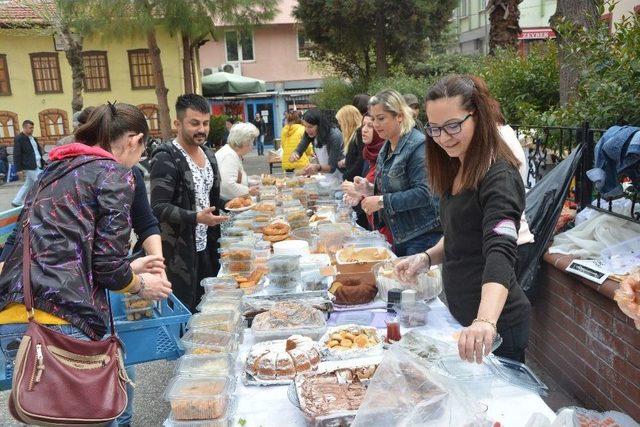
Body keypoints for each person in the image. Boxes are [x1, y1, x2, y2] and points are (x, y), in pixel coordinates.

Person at [0, 104, 172, 408]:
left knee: (46, 415)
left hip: (15, 317)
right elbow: (107, 268)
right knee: (88, 415)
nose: (138, 159)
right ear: (134, 140)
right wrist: (142, 284)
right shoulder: (114, 174)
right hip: (65, 322)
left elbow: (27, 246)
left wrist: (129, 265)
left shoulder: (54, 170)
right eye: (142, 149)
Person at [396, 75, 532, 364]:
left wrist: (485, 321)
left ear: (478, 117)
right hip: (462, 319)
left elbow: (500, 248)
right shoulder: (455, 167)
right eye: (434, 129)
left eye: (453, 126)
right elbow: (460, 234)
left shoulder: (500, 177)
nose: (444, 137)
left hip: (496, 328)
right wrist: (426, 258)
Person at [150, 94, 229, 313]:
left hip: (207, 247)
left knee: (209, 309)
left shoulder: (209, 155)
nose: (201, 129)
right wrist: (195, 217)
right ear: (178, 123)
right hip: (178, 254)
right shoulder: (166, 157)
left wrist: (232, 203)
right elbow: (158, 207)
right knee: (185, 314)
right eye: (194, 123)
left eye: (205, 123)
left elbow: (206, 196)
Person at [356, 90, 441, 256]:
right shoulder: (387, 146)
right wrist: (369, 188)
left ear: (399, 116)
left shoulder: (418, 146)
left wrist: (381, 201)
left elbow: (425, 193)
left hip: (423, 236)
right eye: (373, 119)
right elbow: (394, 188)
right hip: (400, 234)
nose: (375, 124)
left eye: (381, 118)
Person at [342, 114, 391, 238]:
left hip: (389, 231)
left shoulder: (387, 155)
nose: (364, 129)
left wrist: (359, 192)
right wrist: (359, 193)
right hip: (375, 226)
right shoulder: (369, 154)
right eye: (363, 125)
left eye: (370, 126)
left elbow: (390, 195)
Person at [216, 122, 260, 204]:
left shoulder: (232, 152)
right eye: (251, 142)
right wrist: (249, 191)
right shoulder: (229, 155)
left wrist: (248, 179)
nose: (252, 146)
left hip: (231, 202)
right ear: (244, 142)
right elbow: (228, 184)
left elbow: (233, 177)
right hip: (229, 204)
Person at [289, 108, 344, 175]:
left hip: (340, 175)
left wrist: (317, 167)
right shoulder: (310, 132)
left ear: (320, 126)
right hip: (325, 175)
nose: (307, 130)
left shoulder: (334, 136)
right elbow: (302, 144)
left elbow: (332, 168)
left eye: (310, 127)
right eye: (305, 126)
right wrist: (296, 153)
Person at [12, 120, 45, 207]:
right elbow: (17, 154)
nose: (32, 129)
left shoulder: (34, 138)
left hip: (37, 164)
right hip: (29, 166)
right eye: (30, 128)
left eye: (32, 128)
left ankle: (17, 201)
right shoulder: (19, 139)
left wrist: (43, 162)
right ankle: (42, 202)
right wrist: (18, 169)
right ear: (24, 127)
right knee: (42, 182)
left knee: (28, 184)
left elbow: (37, 152)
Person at [336, 105, 364, 182]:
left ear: (347, 122)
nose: (340, 126)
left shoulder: (359, 134)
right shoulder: (354, 135)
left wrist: (346, 176)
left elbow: (361, 160)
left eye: (341, 122)